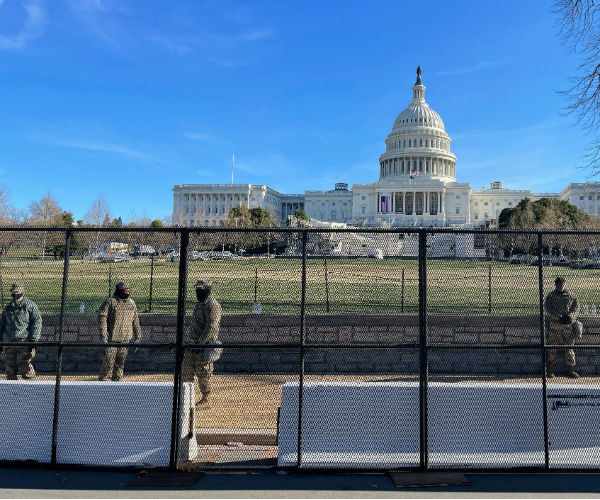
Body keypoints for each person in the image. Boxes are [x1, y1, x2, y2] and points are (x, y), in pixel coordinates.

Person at [183, 279, 222, 406]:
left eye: (201, 289)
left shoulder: (213, 305)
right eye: (197, 289)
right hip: (192, 344)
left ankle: (205, 399)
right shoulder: (199, 304)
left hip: (205, 345)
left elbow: (212, 327)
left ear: (207, 289)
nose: (198, 292)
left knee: (203, 373)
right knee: (186, 371)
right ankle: (186, 397)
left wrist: (200, 342)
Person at [98, 281, 142, 381]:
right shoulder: (110, 302)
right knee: (108, 363)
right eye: (125, 291)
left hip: (125, 340)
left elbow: (135, 320)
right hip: (111, 340)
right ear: (119, 291)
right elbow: (102, 317)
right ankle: (102, 382)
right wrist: (103, 335)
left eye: (128, 291)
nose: (127, 292)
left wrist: (138, 336)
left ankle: (117, 383)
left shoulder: (131, 303)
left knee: (120, 364)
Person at [0, 282, 42, 380]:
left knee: (25, 367)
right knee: (10, 369)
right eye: (14, 292)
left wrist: (33, 339)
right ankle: (12, 391)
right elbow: (2, 324)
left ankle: (32, 389)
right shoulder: (8, 307)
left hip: (24, 340)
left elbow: (37, 322)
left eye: (17, 292)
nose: (15, 294)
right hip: (9, 341)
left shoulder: (30, 306)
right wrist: (1, 340)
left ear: (22, 291)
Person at [544, 276, 580, 378]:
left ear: (565, 284)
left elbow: (576, 308)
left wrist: (570, 317)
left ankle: (570, 370)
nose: (561, 286)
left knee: (569, 348)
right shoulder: (551, 296)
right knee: (552, 348)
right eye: (559, 284)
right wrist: (558, 317)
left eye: (563, 284)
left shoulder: (571, 296)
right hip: (555, 326)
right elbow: (548, 309)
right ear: (556, 285)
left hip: (568, 326)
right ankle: (550, 370)